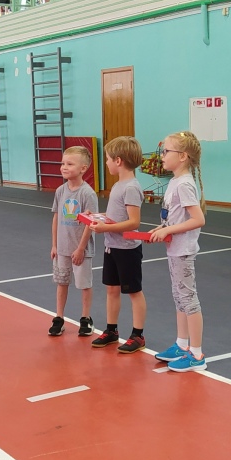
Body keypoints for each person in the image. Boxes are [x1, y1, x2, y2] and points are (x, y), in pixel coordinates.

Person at [149, 132, 208, 372]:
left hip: (183, 250)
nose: (162, 155)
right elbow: (175, 216)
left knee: (188, 299)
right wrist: (162, 228)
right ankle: (182, 344)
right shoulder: (175, 181)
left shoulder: (184, 184)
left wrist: (169, 229)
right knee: (179, 297)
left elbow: (198, 219)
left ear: (182, 156)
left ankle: (196, 354)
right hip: (174, 249)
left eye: (166, 151)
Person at [88, 136, 147, 354]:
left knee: (134, 292)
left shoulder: (131, 188)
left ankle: (138, 335)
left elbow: (134, 222)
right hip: (111, 246)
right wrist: (97, 216)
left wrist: (105, 228)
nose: (106, 163)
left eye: (108, 159)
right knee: (111, 289)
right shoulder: (118, 185)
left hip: (127, 250)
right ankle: (111, 330)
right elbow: (115, 215)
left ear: (118, 161)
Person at [48, 146, 97, 337]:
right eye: (63, 163)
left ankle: (86, 318)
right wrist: (55, 245)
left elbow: (91, 223)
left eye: (69, 164)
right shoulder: (60, 191)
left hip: (80, 250)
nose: (64, 167)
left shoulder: (87, 194)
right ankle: (59, 318)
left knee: (84, 284)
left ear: (83, 168)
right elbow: (56, 218)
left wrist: (81, 248)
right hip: (62, 248)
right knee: (62, 282)